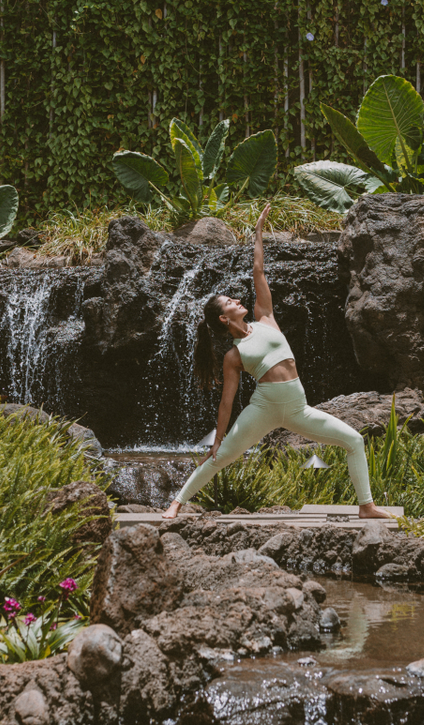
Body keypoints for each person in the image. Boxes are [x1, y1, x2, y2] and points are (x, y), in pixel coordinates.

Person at [161, 204, 394, 521]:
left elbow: (259, 271)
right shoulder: (234, 355)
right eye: (231, 302)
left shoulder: (266, 318)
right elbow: (226, 402)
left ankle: (366, 506)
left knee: (354, 440)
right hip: (264, 408)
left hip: (298, 408)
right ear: (223, 318)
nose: (238, 301)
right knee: (221, 456)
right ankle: (176, 503)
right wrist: (218, 438)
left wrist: (258, 233)